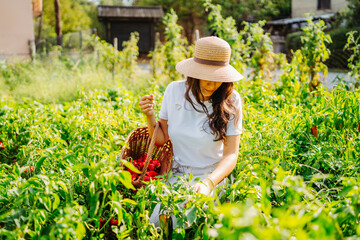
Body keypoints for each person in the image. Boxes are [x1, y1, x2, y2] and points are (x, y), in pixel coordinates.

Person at [139, 36, 244, 227]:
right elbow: (161, 139)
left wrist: (208, 183)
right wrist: (149, 116)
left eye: (218, 79)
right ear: (194, 73)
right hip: (177, 174)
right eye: (207, 76)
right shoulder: (174, 91)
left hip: (212, 176)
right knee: (156, 222)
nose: (212, 85)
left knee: (188, 221)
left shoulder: (232, 100)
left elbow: (231, 155)